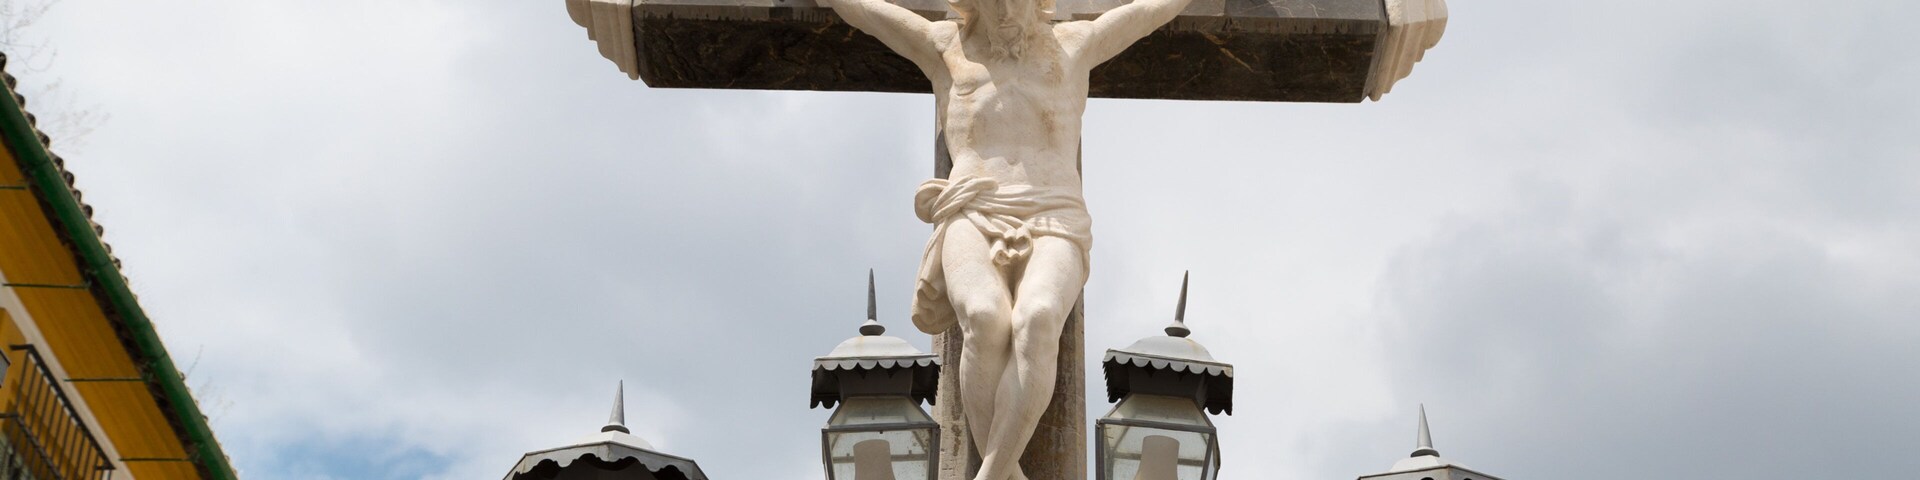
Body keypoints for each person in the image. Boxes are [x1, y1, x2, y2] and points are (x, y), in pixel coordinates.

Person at [818, 0, 1195, 477]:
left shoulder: (1074, 45)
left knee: (1037, 317)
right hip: (974, 210)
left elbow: (1145, 11)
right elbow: (868, 14)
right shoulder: (945, 47)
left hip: (1055, 212)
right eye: (994, 4)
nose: (1006, 14)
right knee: (984, 315)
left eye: (1015, 2)